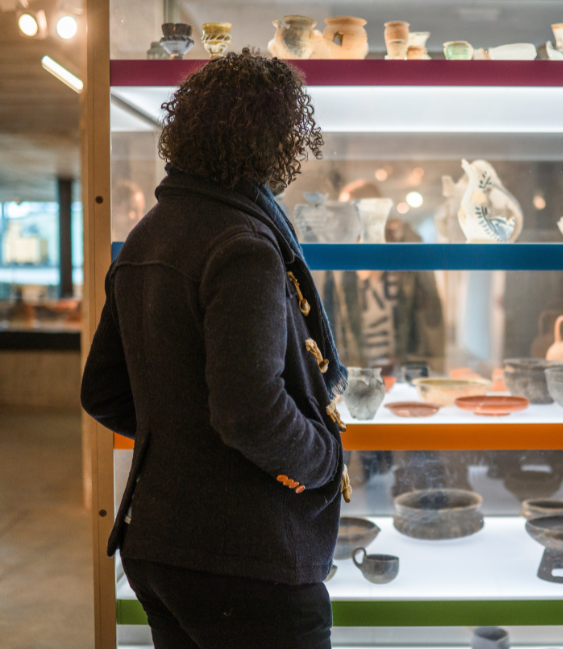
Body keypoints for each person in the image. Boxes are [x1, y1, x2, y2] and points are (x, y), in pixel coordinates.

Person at [81, 50, 348, 649]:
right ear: (274, 140)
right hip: (248, 558)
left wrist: (188, 442)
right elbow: (249, 409)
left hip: (159, 546)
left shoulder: (149, 233)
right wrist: (324, 462)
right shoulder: (244, 244)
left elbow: (102, 392)